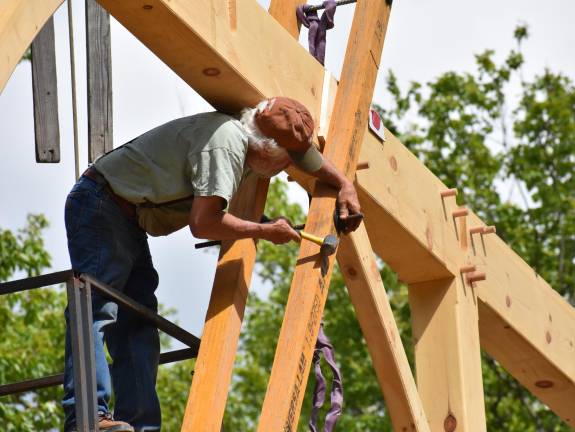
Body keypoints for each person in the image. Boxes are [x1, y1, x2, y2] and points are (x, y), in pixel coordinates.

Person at [62, 97, 362, 432]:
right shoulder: (227, 146)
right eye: (285, 163)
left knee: (137, 323)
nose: (285, 170)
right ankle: (88, 418)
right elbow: (204, 223)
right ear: (266, 149)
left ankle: (140, 426)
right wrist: (264, 230)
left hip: (125, 215)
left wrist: (345, 184)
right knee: (96, 307)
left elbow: (310, 163)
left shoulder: (253, 139)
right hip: (101, 204)